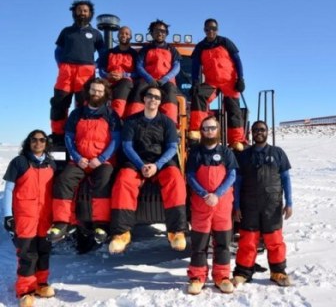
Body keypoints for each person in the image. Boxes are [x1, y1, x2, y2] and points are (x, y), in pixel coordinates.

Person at [108, 85, 187, 254]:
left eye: (157, 97)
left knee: (175, 178)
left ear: (160, 101)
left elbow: (173, 147)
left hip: (161, 161)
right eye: (150, 96)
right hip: (137, 162)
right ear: (144, 99)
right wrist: (140, 165)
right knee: (123, 180)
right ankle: (121, 234)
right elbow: (127, 146)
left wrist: (157, 165)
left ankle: (176, 232)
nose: (153, 99)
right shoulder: (131, 121)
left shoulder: (167, 122)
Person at [47, 78, 121, 245]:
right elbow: (69, 137)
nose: (96, 94)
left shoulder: (111, 115)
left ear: (105, 94)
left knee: (103, 182)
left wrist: (101, 159)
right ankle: (62, 222)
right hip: (80, 160)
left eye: (100, 91)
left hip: (102, 161)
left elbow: (116, 139)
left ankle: (101, 225)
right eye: (93, 90)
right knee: (63, 181)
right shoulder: (77, 114)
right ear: (88, 92)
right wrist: (77, 157)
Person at [232, 120, 293, 287]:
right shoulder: (244, 155)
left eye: (262, 129)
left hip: (272, 205)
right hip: (249, 205)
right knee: (247, 241)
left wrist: (289, 202)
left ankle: (278, 272)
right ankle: (243, 273)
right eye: (256, 130)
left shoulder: (278, 153)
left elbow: (286, 179)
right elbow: (237, 182)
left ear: (267, 132)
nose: (259, 132)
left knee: (275, 241)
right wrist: (236, 206)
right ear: (251, 133)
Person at [3, 130, 57, 307]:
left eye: (42, 140)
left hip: (45, 216)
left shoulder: (51, 164)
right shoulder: (19, 162)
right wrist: (8, 215)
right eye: (34, 140)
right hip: (25, 215)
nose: (38, 143)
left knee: (44, 251)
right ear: (29, 142)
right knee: (27, 253)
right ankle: (25, 289)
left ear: (46, 144)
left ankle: (41, 284)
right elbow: (9, 190)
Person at [185, 115, 238, 295]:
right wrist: (203, 194)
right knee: (199, 245)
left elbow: (231, 175)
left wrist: (217, 194)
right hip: (201, 206)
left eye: (212, 128)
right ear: (201, 132)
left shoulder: (226, 153)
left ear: (218, 130)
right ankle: (197, 277)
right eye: (206, 128)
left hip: (222, 206)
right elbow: (190, 176)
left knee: (222, 244)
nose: (209, 131)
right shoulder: (196, 153)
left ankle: (222, 277)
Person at [49, 0, 105, 144]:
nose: (82, 13)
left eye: (85, 11)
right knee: (59, 103)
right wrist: (61, 65)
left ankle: (81, 133)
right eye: (79, 11)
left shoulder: (96, 34)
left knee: (84, 104)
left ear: (90, 14)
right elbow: (58, 51)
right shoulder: (66, 31)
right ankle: (58, 135)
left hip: (86, 72)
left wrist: (96, 64)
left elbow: (103, 52)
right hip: (66, 71)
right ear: (74, 13)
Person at [188, 18, 246, 151]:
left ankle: (236, 140)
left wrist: (241, 78)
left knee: (234, 109)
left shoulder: (225, 42)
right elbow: (195, 66)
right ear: (204, 30)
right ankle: (196, 130)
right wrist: (195, 83)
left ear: (217, 29)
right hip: (211, 82)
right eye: (208, 29)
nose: (210, 31)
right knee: (198, 95)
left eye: (213, 29)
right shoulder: (200, 47)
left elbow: (237, 60)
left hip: (229, 81)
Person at [133, 19, 182, 124]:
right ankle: (134, 121)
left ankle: (170, 124)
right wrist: (149, 78)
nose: (160, 33)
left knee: (170, 91)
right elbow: (139, 66)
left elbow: (177, 67)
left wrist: (165, 79)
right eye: (156, 30)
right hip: (148, 80)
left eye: (163, 31)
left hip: (166, 81)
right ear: (152, 33)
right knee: (138, 89)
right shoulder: (145, 49)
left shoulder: (172, 50)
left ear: (166, 34)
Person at [98, 26, 140, 119]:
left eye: (127, 34)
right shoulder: (108, 52)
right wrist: (107, 75)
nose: (124, 35)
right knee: (95, 87)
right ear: (117, 35)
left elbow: (138, 72)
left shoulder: (135, 54)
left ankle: (116, 117)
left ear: (130, 37)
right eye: (121, 33)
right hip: (108, 81)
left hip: (125, 84)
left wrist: (124, 75)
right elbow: (101, 69)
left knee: (125, 83)